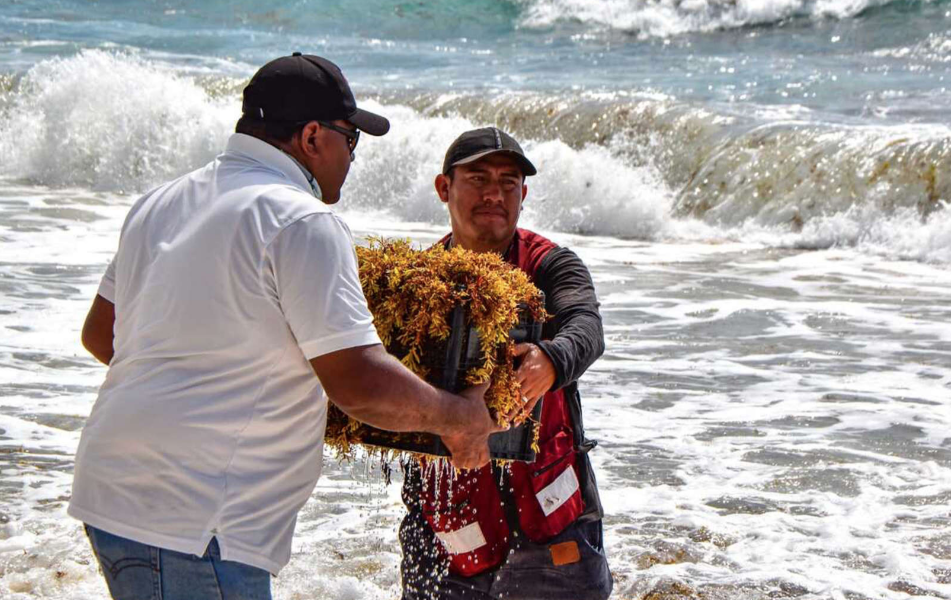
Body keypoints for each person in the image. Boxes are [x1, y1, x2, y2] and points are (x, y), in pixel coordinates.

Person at [69, 54, 506, 600]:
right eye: (351, 139)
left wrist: (215, 380)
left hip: (112, 489)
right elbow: (360, 384)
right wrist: (462, 417)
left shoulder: (161, 202)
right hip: (195, 518)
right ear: (312, 136)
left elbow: (102, 335)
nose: (352, 157)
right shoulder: (302, 220)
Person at [399, 128, 613, 600]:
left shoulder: (552, 265)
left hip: (553, 522)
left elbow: (586, 327)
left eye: (508, 181)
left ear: (524, 194)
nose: (494, 193)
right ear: (443, 188)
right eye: (478, 178)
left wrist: (551, 359)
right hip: (445, 521)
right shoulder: (417, 284)